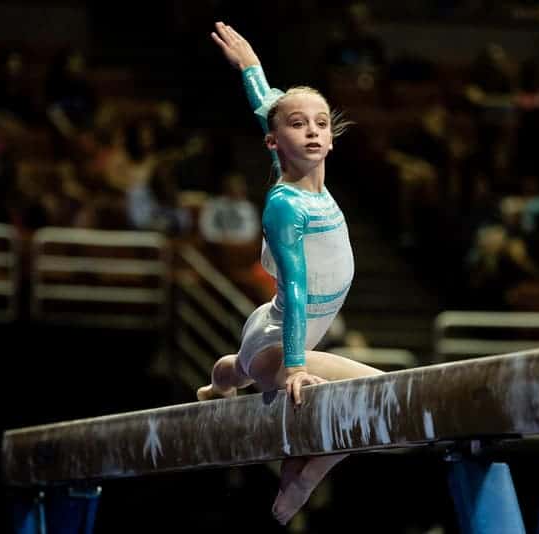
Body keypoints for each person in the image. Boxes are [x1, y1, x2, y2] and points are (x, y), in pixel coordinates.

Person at [195, 22, 384, 525]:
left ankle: (220, 383)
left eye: (321, 123)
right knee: (377, 396)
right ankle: (302, 477)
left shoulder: (304, 177)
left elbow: (269, 106)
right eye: (299, 125)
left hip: (265, 329)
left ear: (332, 138)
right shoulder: (286, 204)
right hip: (280, 345)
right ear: (273, 142)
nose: (313, 131)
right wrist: (296, 368)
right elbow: (296, 288)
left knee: (242, 366)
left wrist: (251, 66)